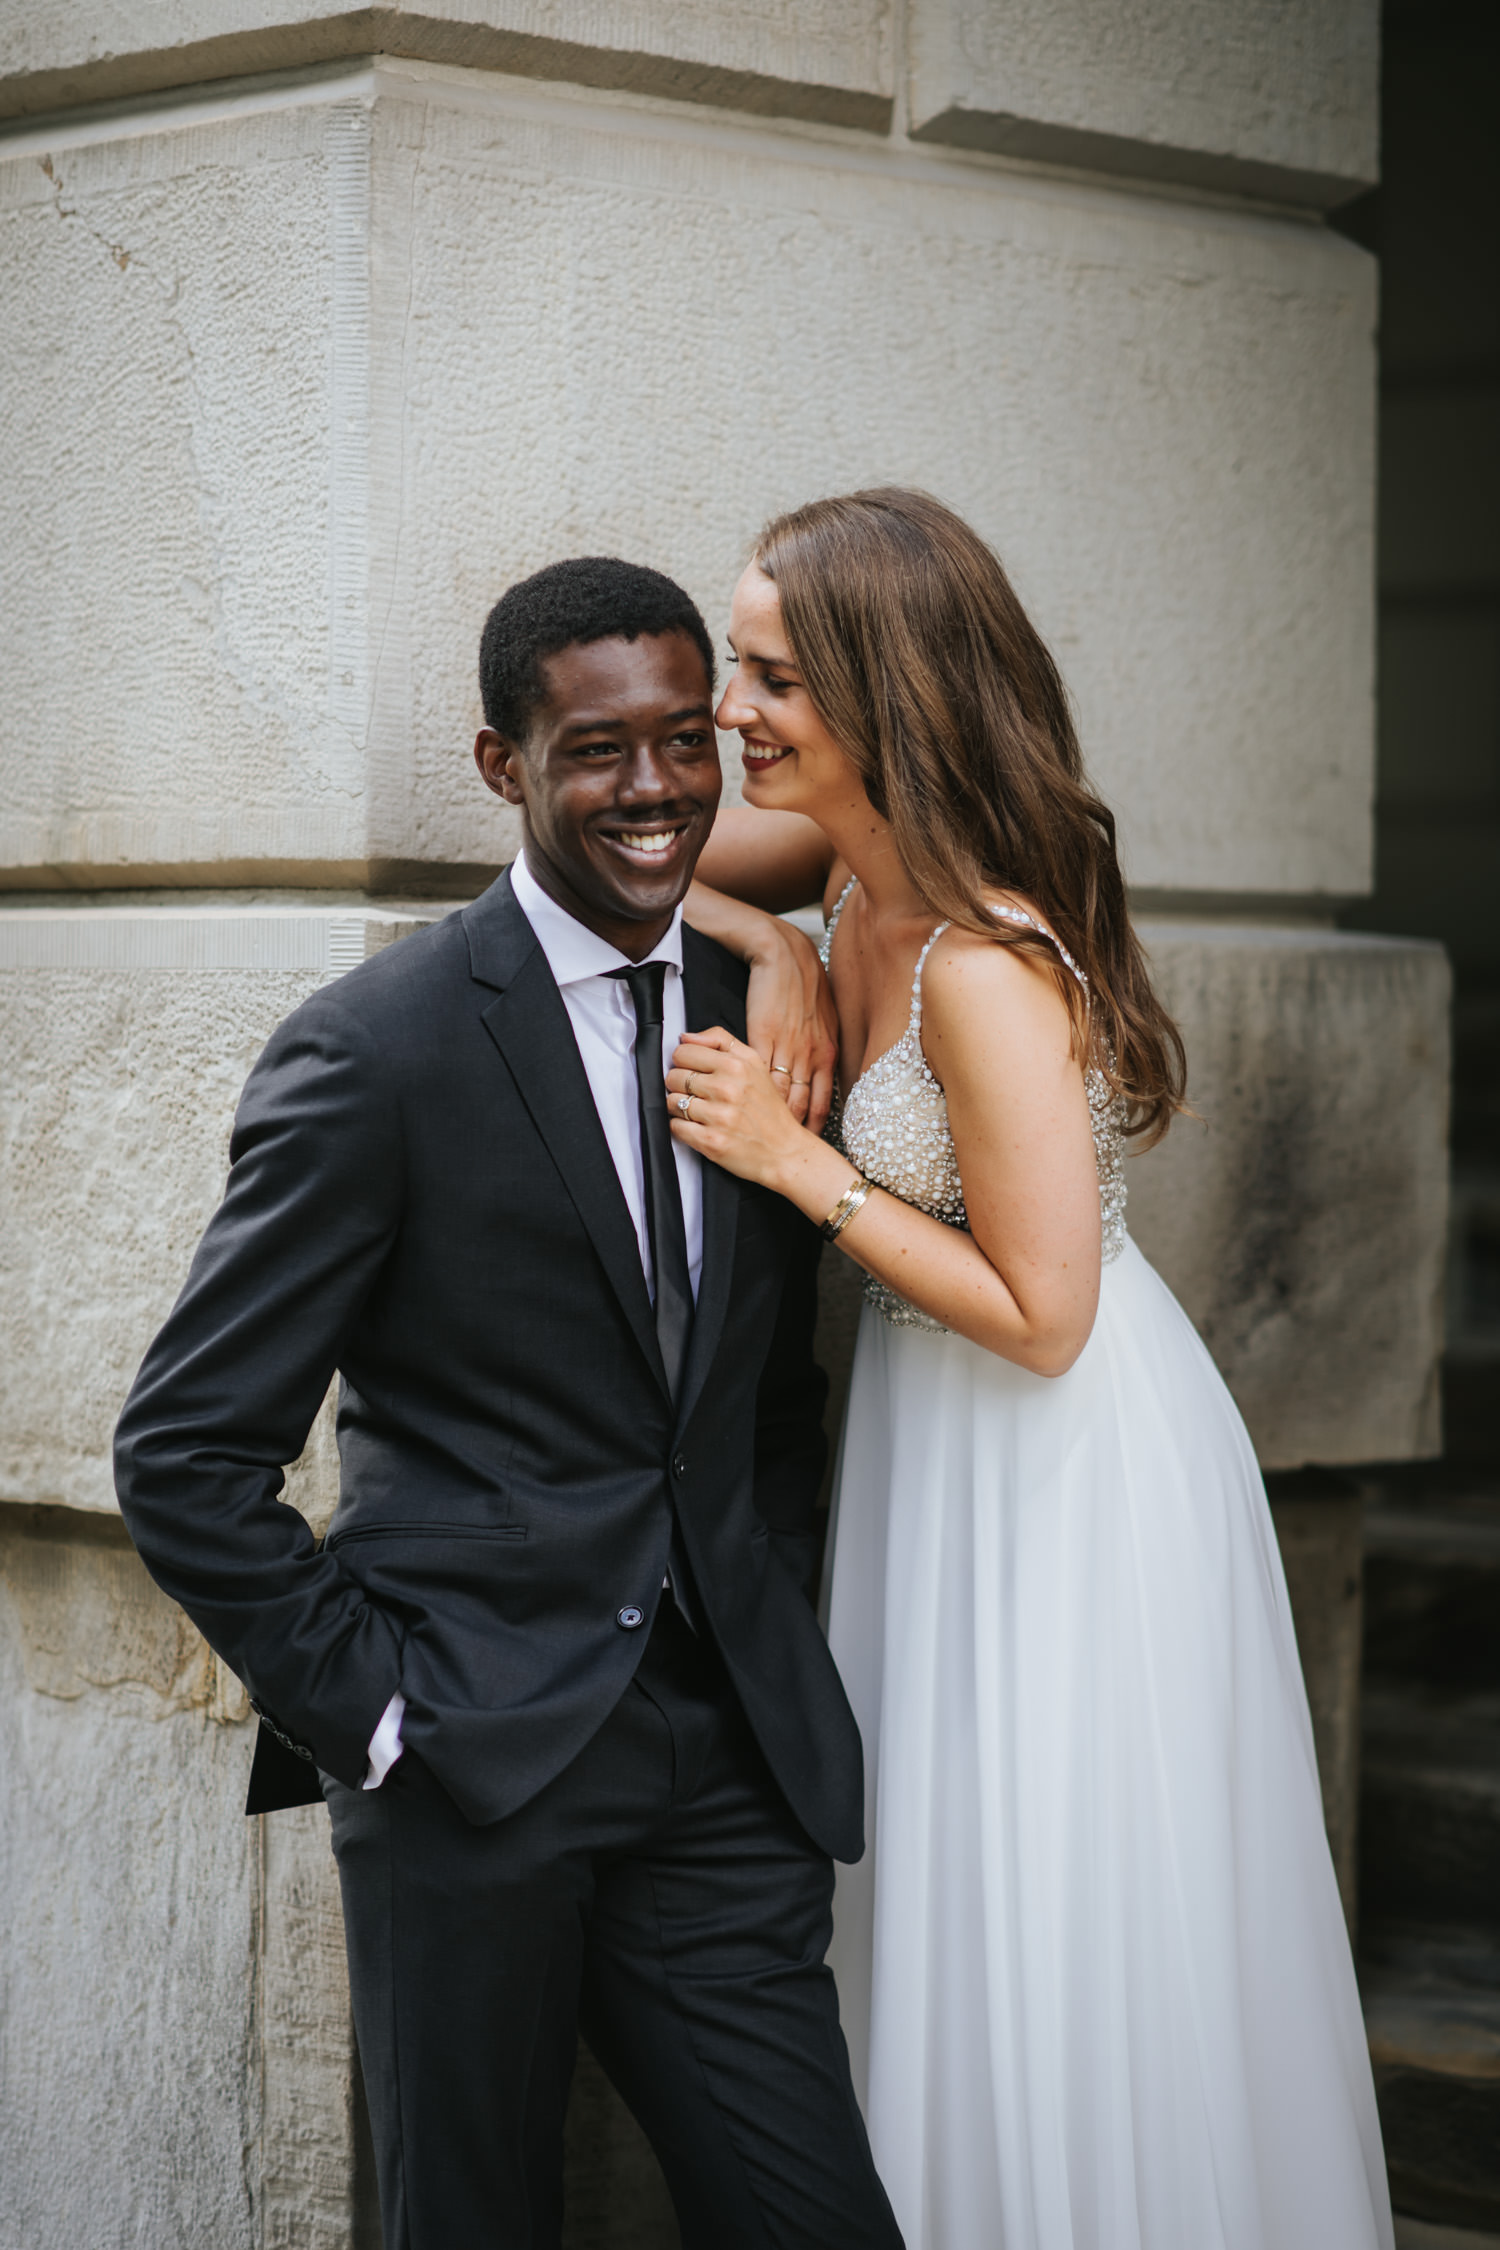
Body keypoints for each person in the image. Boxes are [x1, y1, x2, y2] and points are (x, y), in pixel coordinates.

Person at [113, 558, 902, 2250]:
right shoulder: (375, 1050)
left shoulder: (760, 1020)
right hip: (470, 1766)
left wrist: (759, 1624)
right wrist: (385, 1717)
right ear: (503, 764)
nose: (655, 788)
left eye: (686, 740)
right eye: (600, 748)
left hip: (724, 1773)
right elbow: (183, 1454)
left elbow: (762, 1398)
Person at [672, 490, 1395, 2250]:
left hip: (1062, 1455)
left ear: (879, 690)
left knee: (1056, 1899)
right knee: (942, 1884)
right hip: (936, 1441)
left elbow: (1049, 1310)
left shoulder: (985, 964)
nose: (729, 717)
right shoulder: (840, 867)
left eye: (768, 678)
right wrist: (770, 941)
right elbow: (634, 848)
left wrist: (793, 1161)